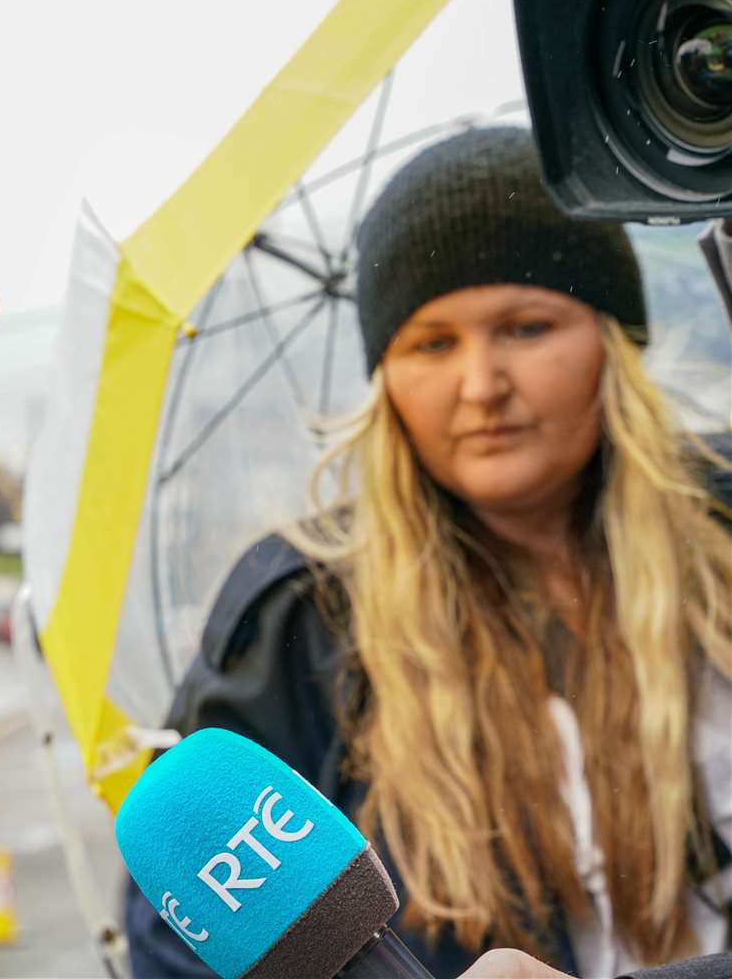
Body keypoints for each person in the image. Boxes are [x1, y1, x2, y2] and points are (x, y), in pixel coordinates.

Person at [125, 128, 732, 978]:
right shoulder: (301, 620)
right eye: (432, 343)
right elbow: (181, 949)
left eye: (525, 327)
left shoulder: (722, 520)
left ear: (611, 342)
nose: (481, 384)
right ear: (385, 377)